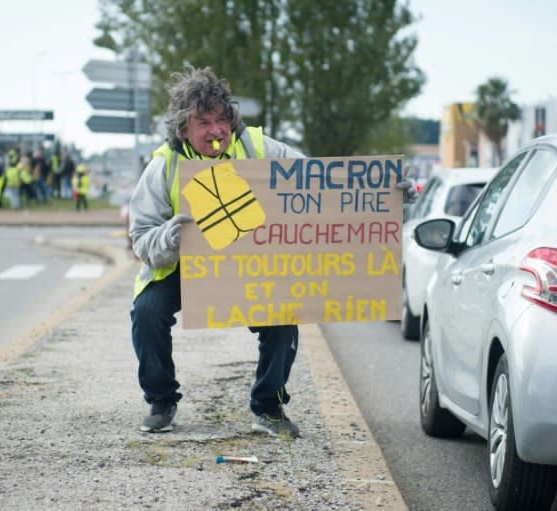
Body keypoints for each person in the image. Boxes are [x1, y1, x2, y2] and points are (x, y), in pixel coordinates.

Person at [128, 67, 417, 437]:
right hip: (182, 268)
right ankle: (161, 400)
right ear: (183, 128)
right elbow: (141, 237)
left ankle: (268, 405)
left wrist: (387, 194)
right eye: (204, 122)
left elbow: (321, 184)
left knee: (283, 317)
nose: (216, 130)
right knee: (146, 313)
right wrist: (168, 238)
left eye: (222, 120)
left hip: (252, 266)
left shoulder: (259, 148)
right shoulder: (163, 166)